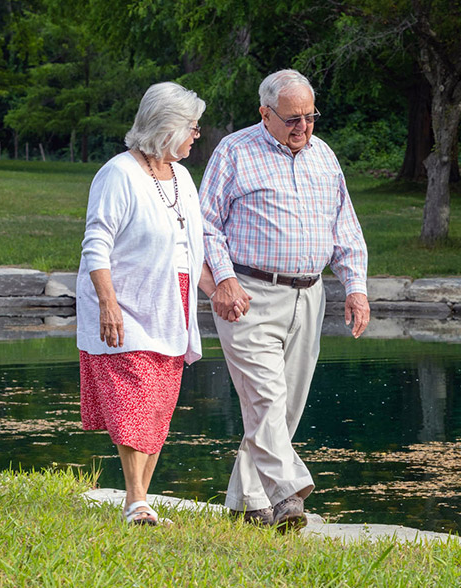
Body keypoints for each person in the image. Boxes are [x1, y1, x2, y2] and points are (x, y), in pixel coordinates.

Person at [200, 68, 370, 530]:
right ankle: (290, 494)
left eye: (310, 116)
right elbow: (206, 226)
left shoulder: (324, 155)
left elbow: (345, 228)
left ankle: (246, 503)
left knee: (284, 407)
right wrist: (224, 280)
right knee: (266, 399)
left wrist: (355, 287)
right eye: (292, 117)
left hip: (310, 295)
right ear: (265, 113)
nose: (303, 126)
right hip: (248, 295)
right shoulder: (234, 150)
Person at [77, 81, 222, 526]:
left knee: (158, 406)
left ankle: (138, 500)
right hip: (126, 301)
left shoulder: (181, 177)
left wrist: (218, 292)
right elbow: (96, 242)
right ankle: (137, 499)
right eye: (192, 127)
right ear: (167, 126)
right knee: (134, 397)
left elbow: (188, 249)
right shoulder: (118, 174)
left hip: (170, 303)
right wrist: (108, 303)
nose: (197, 135)